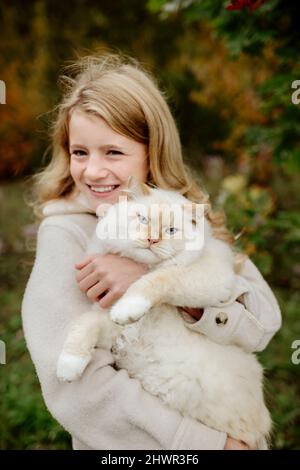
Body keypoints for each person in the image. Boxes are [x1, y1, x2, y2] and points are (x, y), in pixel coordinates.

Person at [21, 52, 281, 450]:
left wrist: (163, 286)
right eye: (80, 152)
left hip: (230, 421)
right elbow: (77, 391)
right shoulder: (66, 233)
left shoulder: (181, 216)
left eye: (113, 152)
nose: (92, 171)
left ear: (151, 150)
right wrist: (209, 445)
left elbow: (264, 323)